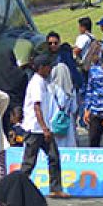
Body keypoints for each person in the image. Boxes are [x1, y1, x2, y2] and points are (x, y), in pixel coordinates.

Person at [20, 55, 66, 197]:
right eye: (48, 67)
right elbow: (37, 107)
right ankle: (19, 189)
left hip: (44, 128)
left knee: (53, 156)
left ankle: (55, 188)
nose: (50, 69)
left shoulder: (44, 82)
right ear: (41, 68)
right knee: (29, 162)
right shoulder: (36, 83)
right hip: (35, 128)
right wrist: (44, 128)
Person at [83, 47, 103, 147]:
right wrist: (87, 109)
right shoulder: (93, 70)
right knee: (93, 140)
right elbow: (89, 89)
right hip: (95, 110)